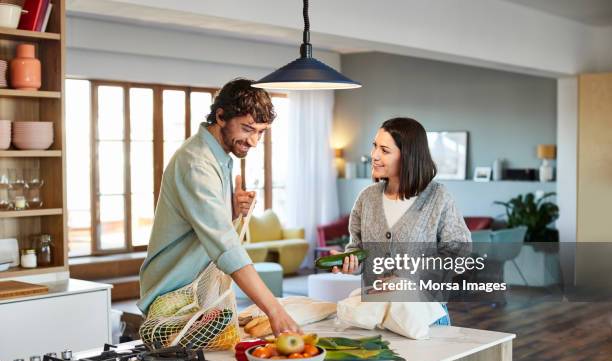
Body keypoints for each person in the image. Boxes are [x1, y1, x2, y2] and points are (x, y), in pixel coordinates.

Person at [138, 78, 299, 336]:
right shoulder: (197, 163)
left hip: (200, 296)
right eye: (248, 129)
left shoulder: (219, 155)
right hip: (173, 297)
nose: (254, 141)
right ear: (221, 116)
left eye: (261, 132)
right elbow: (226, 246)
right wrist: (275, 311)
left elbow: (203, 224)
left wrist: (232, 211)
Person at [331, 117, 471, 325]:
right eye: (375, 146)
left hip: (425, 317)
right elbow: (358, 250)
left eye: (385, 150)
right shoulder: (366, 198)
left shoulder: (438, 198)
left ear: (407, 157)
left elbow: (459, 254)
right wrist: (350, 263)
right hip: (375, 315)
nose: (374, 156)